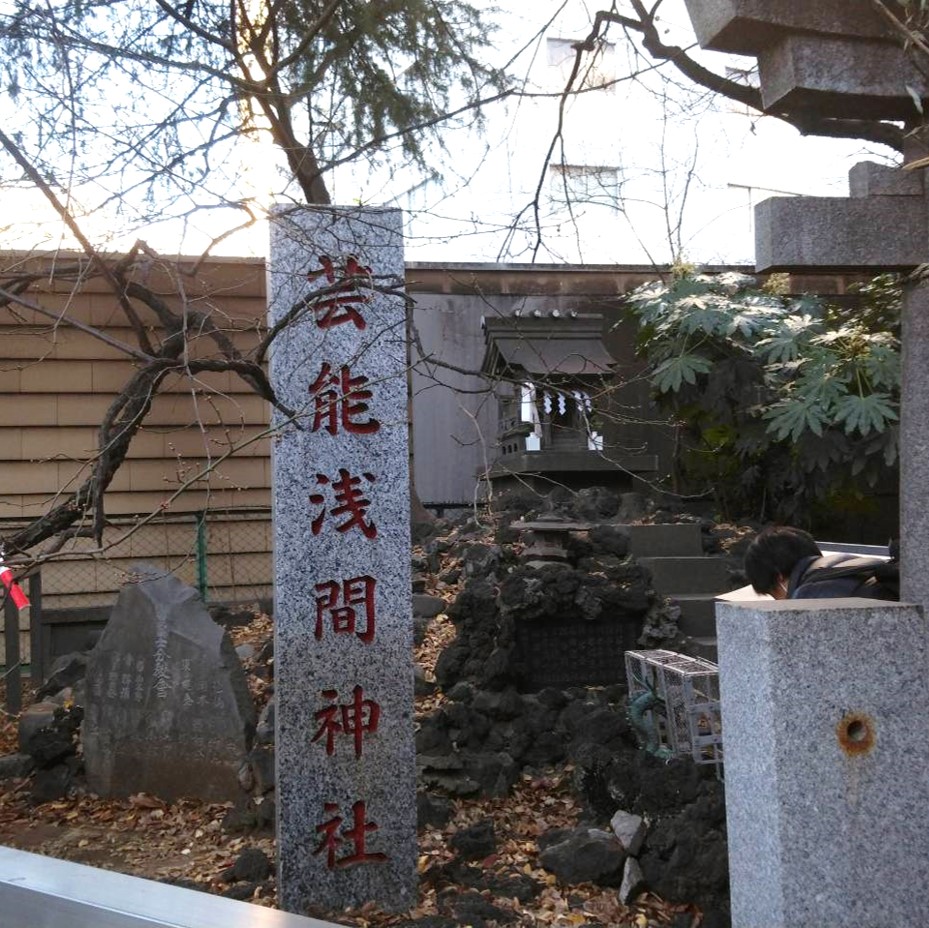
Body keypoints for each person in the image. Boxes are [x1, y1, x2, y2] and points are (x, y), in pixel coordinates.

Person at [743, 525, 897, 601]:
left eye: (774, 595)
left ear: (779, 578)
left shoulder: (808, 596)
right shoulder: (848, 563)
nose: (779, 603)